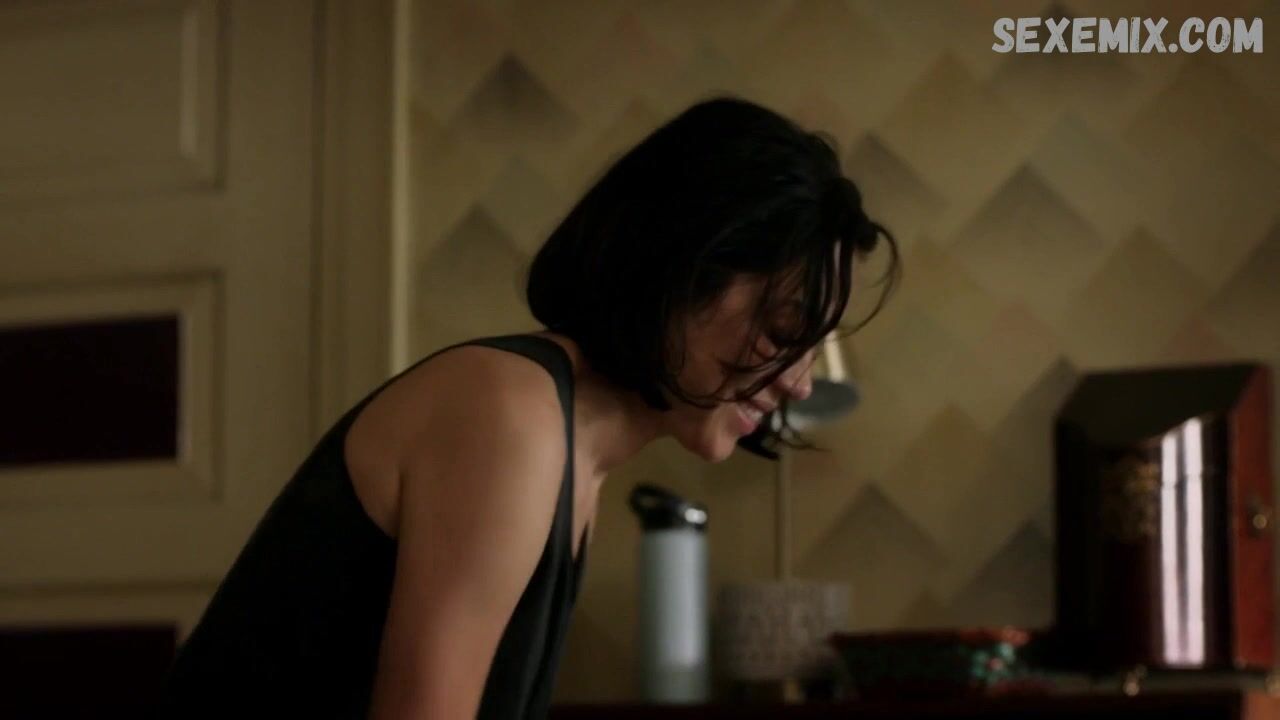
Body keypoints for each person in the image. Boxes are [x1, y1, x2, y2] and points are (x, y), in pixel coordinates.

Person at [156, 96, 899, 719]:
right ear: (681, 267)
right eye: (785, 331)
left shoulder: (573, 450)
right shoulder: (511, 414)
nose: (800, 384)